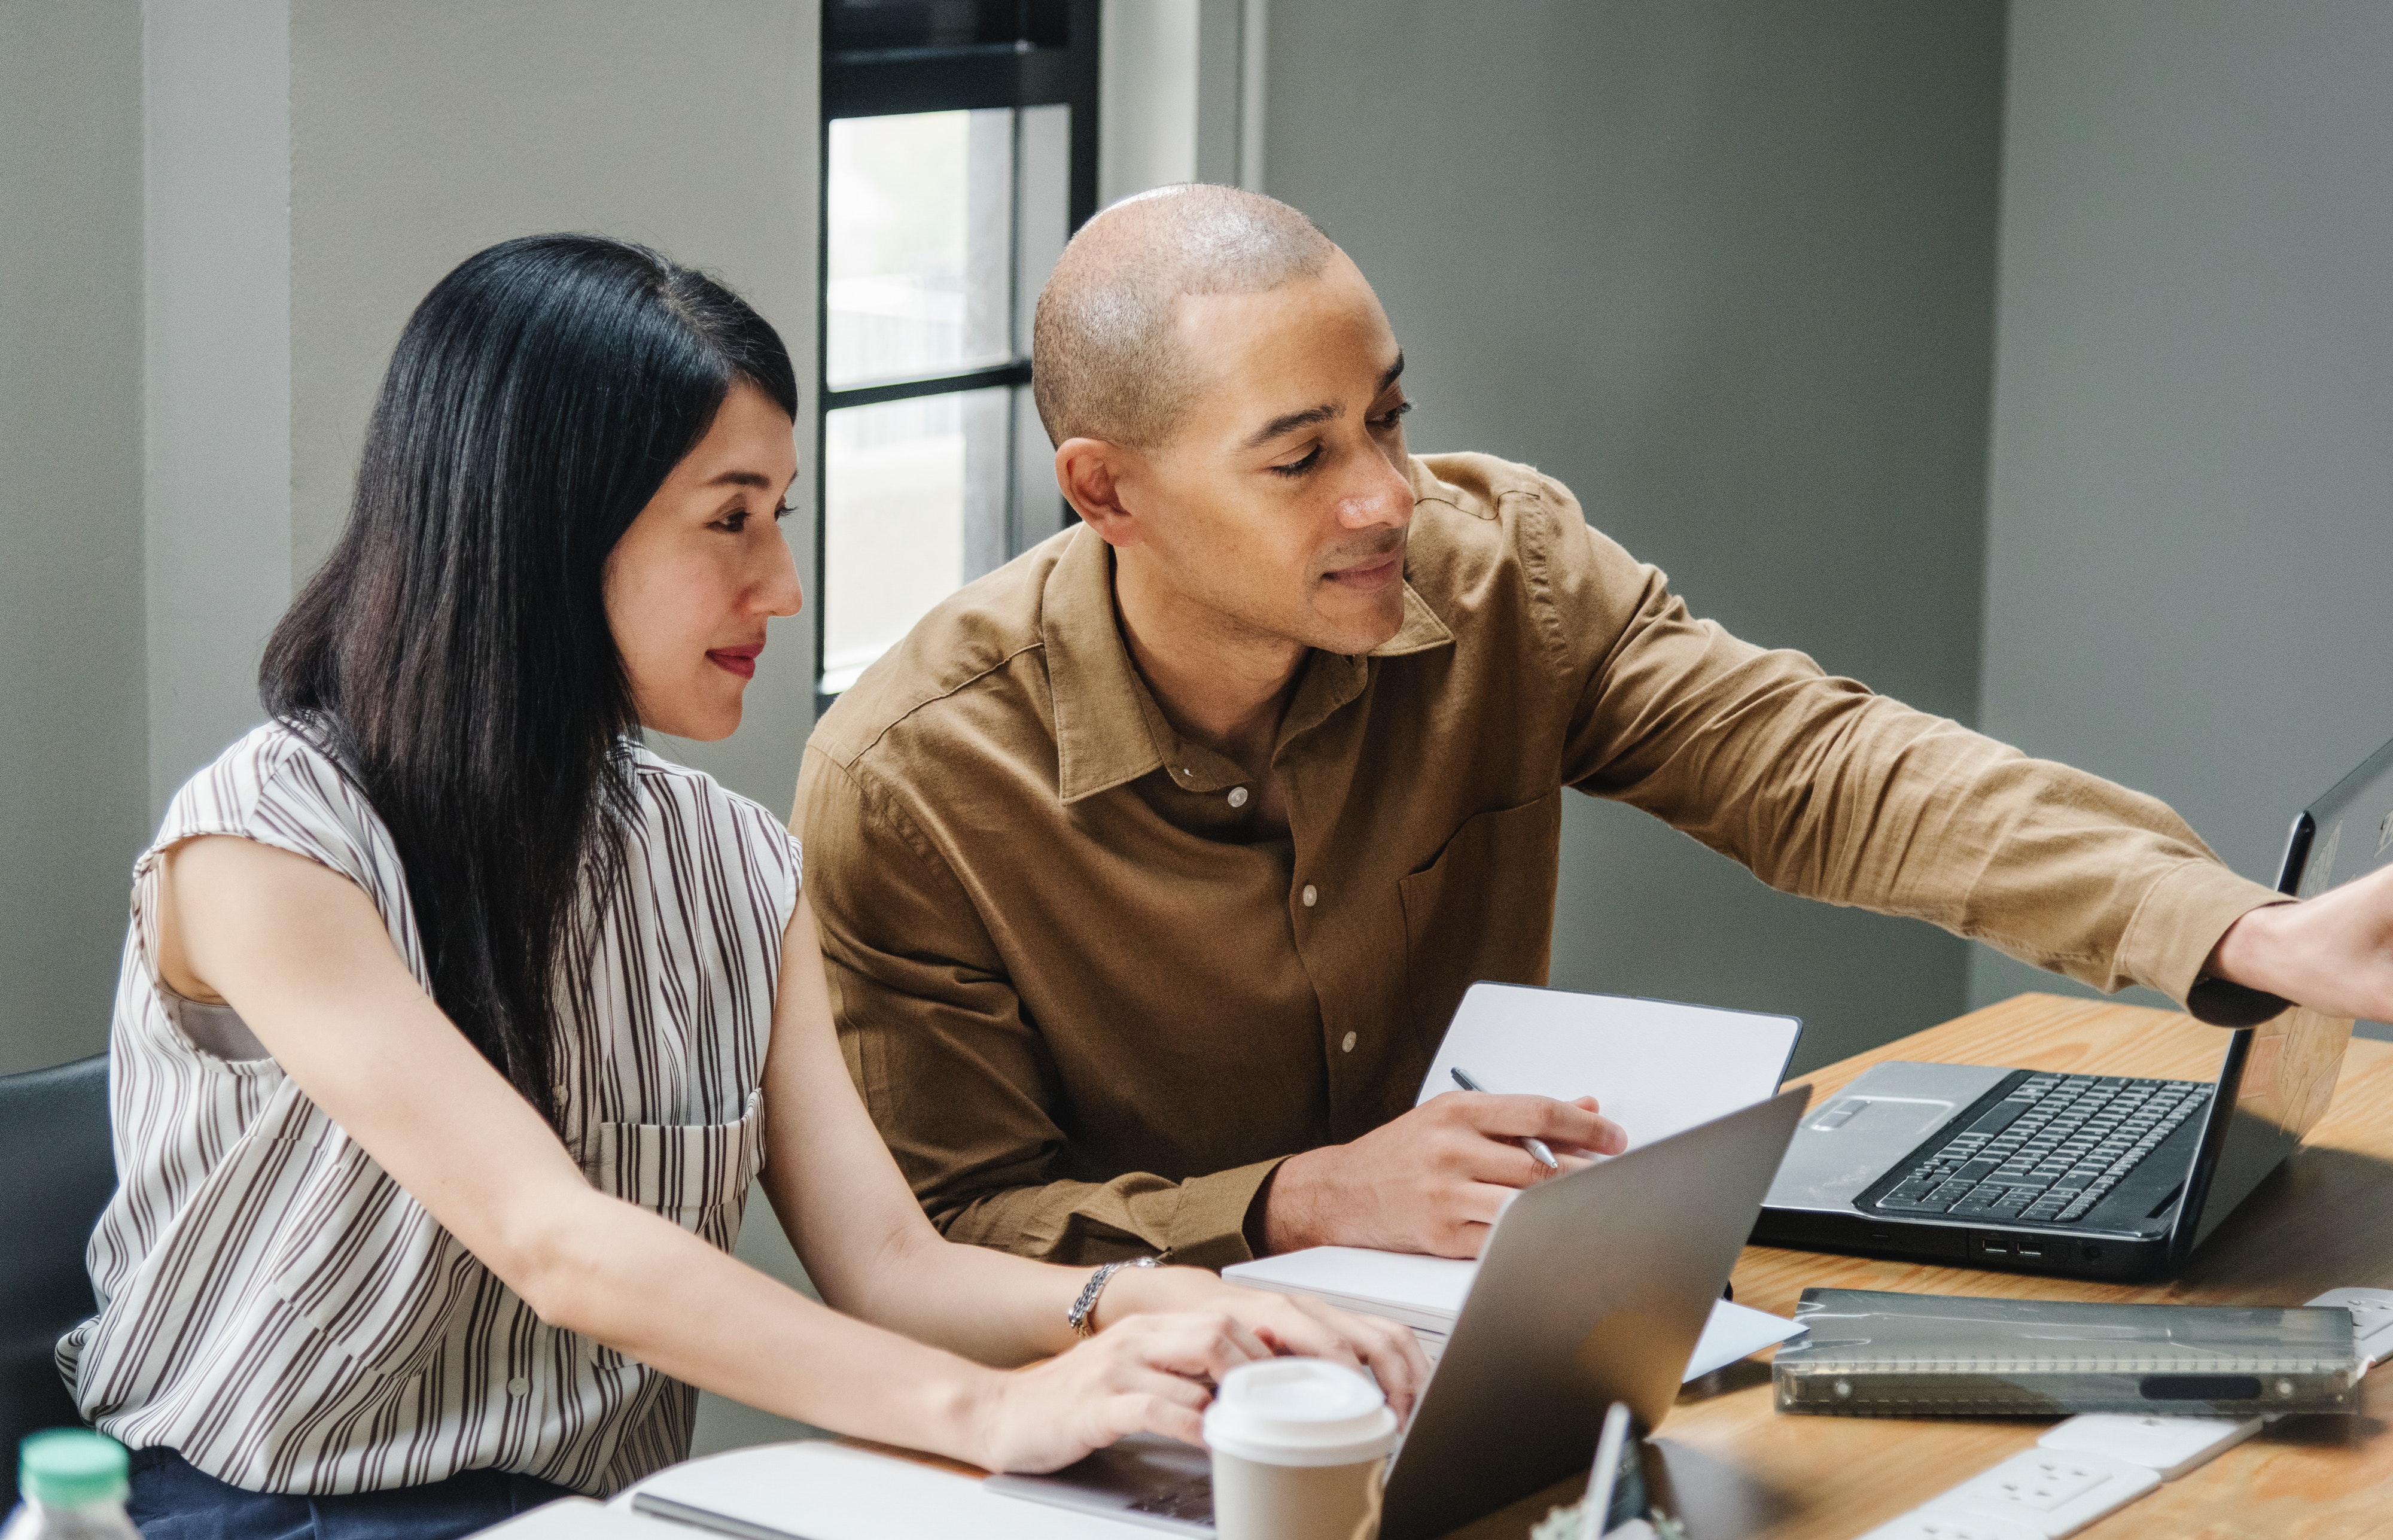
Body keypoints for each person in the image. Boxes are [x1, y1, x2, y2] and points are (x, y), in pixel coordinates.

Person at [60, 234, 1422, 1539]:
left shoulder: (732, 860)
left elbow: (893, 1267)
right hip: (252, 1514)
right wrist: (991, 1413)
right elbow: (555, 1242)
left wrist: (1146, 1310)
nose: (780, 586)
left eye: (780, 516)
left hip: (587, 1519)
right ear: (541, 531)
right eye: (730, 522)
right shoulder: (264, 841)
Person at [794, 184, 2393, 1268]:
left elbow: (1824, 765)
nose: (1386, 494)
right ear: (1108, 490)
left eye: (1391, 415)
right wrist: (1293, 1203)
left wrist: (2251, 933)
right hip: (1132, 1420)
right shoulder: (915, 779)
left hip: (1500, 1334)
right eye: (1301, 459)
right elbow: (942, 1230)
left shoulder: (1502, 573)